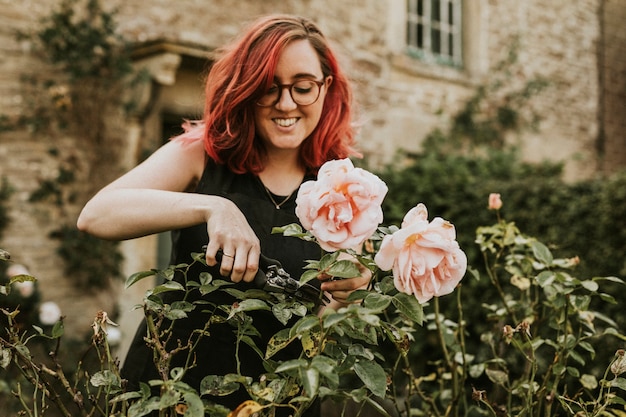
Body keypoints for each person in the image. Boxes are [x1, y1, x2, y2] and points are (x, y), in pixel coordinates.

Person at [77, 14, 370, 416]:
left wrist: (350, 294)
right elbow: (96, 215)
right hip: (173, 385)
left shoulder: (343, 186)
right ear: (246, 91)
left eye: (303, 87)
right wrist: (214, 205)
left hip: (277, 396)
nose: (286, 104)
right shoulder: (201, 154)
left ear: (326, 88)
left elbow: (323, 327)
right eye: (269, 88)